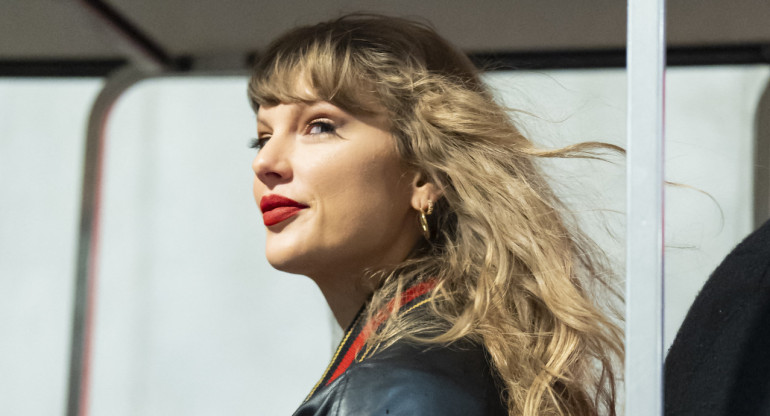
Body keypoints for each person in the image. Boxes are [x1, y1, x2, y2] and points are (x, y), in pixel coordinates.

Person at [247, 14, 623, 416]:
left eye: (319, 126)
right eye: (263, 137)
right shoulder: (440, 361)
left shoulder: (401, 388)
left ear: (426, 174)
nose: (266, 162)